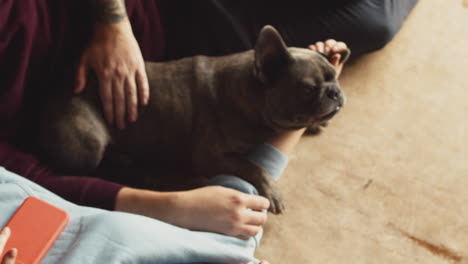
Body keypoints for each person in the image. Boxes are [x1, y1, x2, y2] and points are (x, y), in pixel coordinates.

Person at [0, 0, 417, 262]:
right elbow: (31, 181)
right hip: (187, 61)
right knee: (371, 19)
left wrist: (111, 21)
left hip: (154, 17)